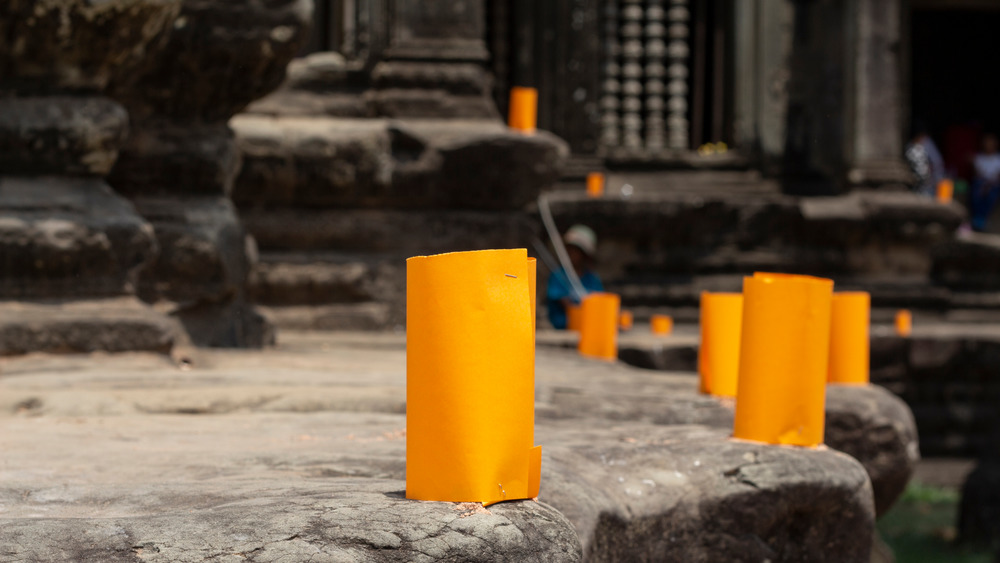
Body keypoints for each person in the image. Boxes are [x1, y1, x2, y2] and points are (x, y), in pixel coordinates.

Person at [546, 225, 604, 329]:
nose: (571, 254)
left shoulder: (592, 278)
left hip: (588, 328)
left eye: (576, 251)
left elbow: (600, 302)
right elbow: (565, 302)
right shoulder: (558, 276)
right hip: (563, 327)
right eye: (569, 249)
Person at [904, 121, 945, 197]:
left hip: (928, 187)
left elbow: (937, 162)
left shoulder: (926, 143)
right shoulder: (911, 148)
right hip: (917, 187)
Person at [971, 133, 1000, 231]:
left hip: (994, 185)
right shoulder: (979, 158)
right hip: (981, 183)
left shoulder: (998, 158)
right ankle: (977, 220)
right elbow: (978, 175)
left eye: (991, 143)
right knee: (976, 192)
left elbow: (998, 177)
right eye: (986, 143)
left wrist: (989, 184)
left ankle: (980, 220)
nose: (988, 145)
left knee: (991, 194)